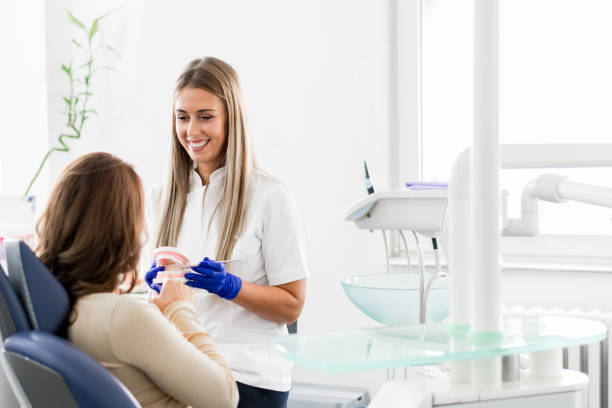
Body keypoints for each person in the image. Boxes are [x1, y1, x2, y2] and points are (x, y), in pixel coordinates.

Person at [143, 57, 308, 408]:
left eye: (206, 116)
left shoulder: (269, 197)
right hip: (183, 369)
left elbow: (292, 306)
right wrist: (153, 290)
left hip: (247, 377)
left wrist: (231, 288)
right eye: (182, 117)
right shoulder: (161, 198)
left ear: (231, 119)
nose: (191, 131)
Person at [36, 152, 239, 408]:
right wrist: (180, 308)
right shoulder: (124, 316)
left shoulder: (68, 303)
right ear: (123, 230)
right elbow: (225, 397)